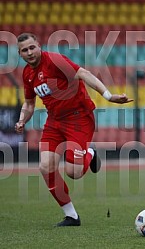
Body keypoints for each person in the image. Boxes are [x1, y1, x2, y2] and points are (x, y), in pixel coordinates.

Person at [15, 33, 133, 227]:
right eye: (24, 50)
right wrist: (21, 121)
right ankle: (72, 216)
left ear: (39, 46)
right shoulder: (27, 74)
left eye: (32, 48)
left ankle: (90, 153)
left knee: (74, 172)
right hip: (54, 121)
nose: (29, 53)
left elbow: (83, 73)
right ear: (20, 54)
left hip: (78, 117)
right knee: (45, 167)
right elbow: (29, 103)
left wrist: (108, 95)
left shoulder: (54, 60)